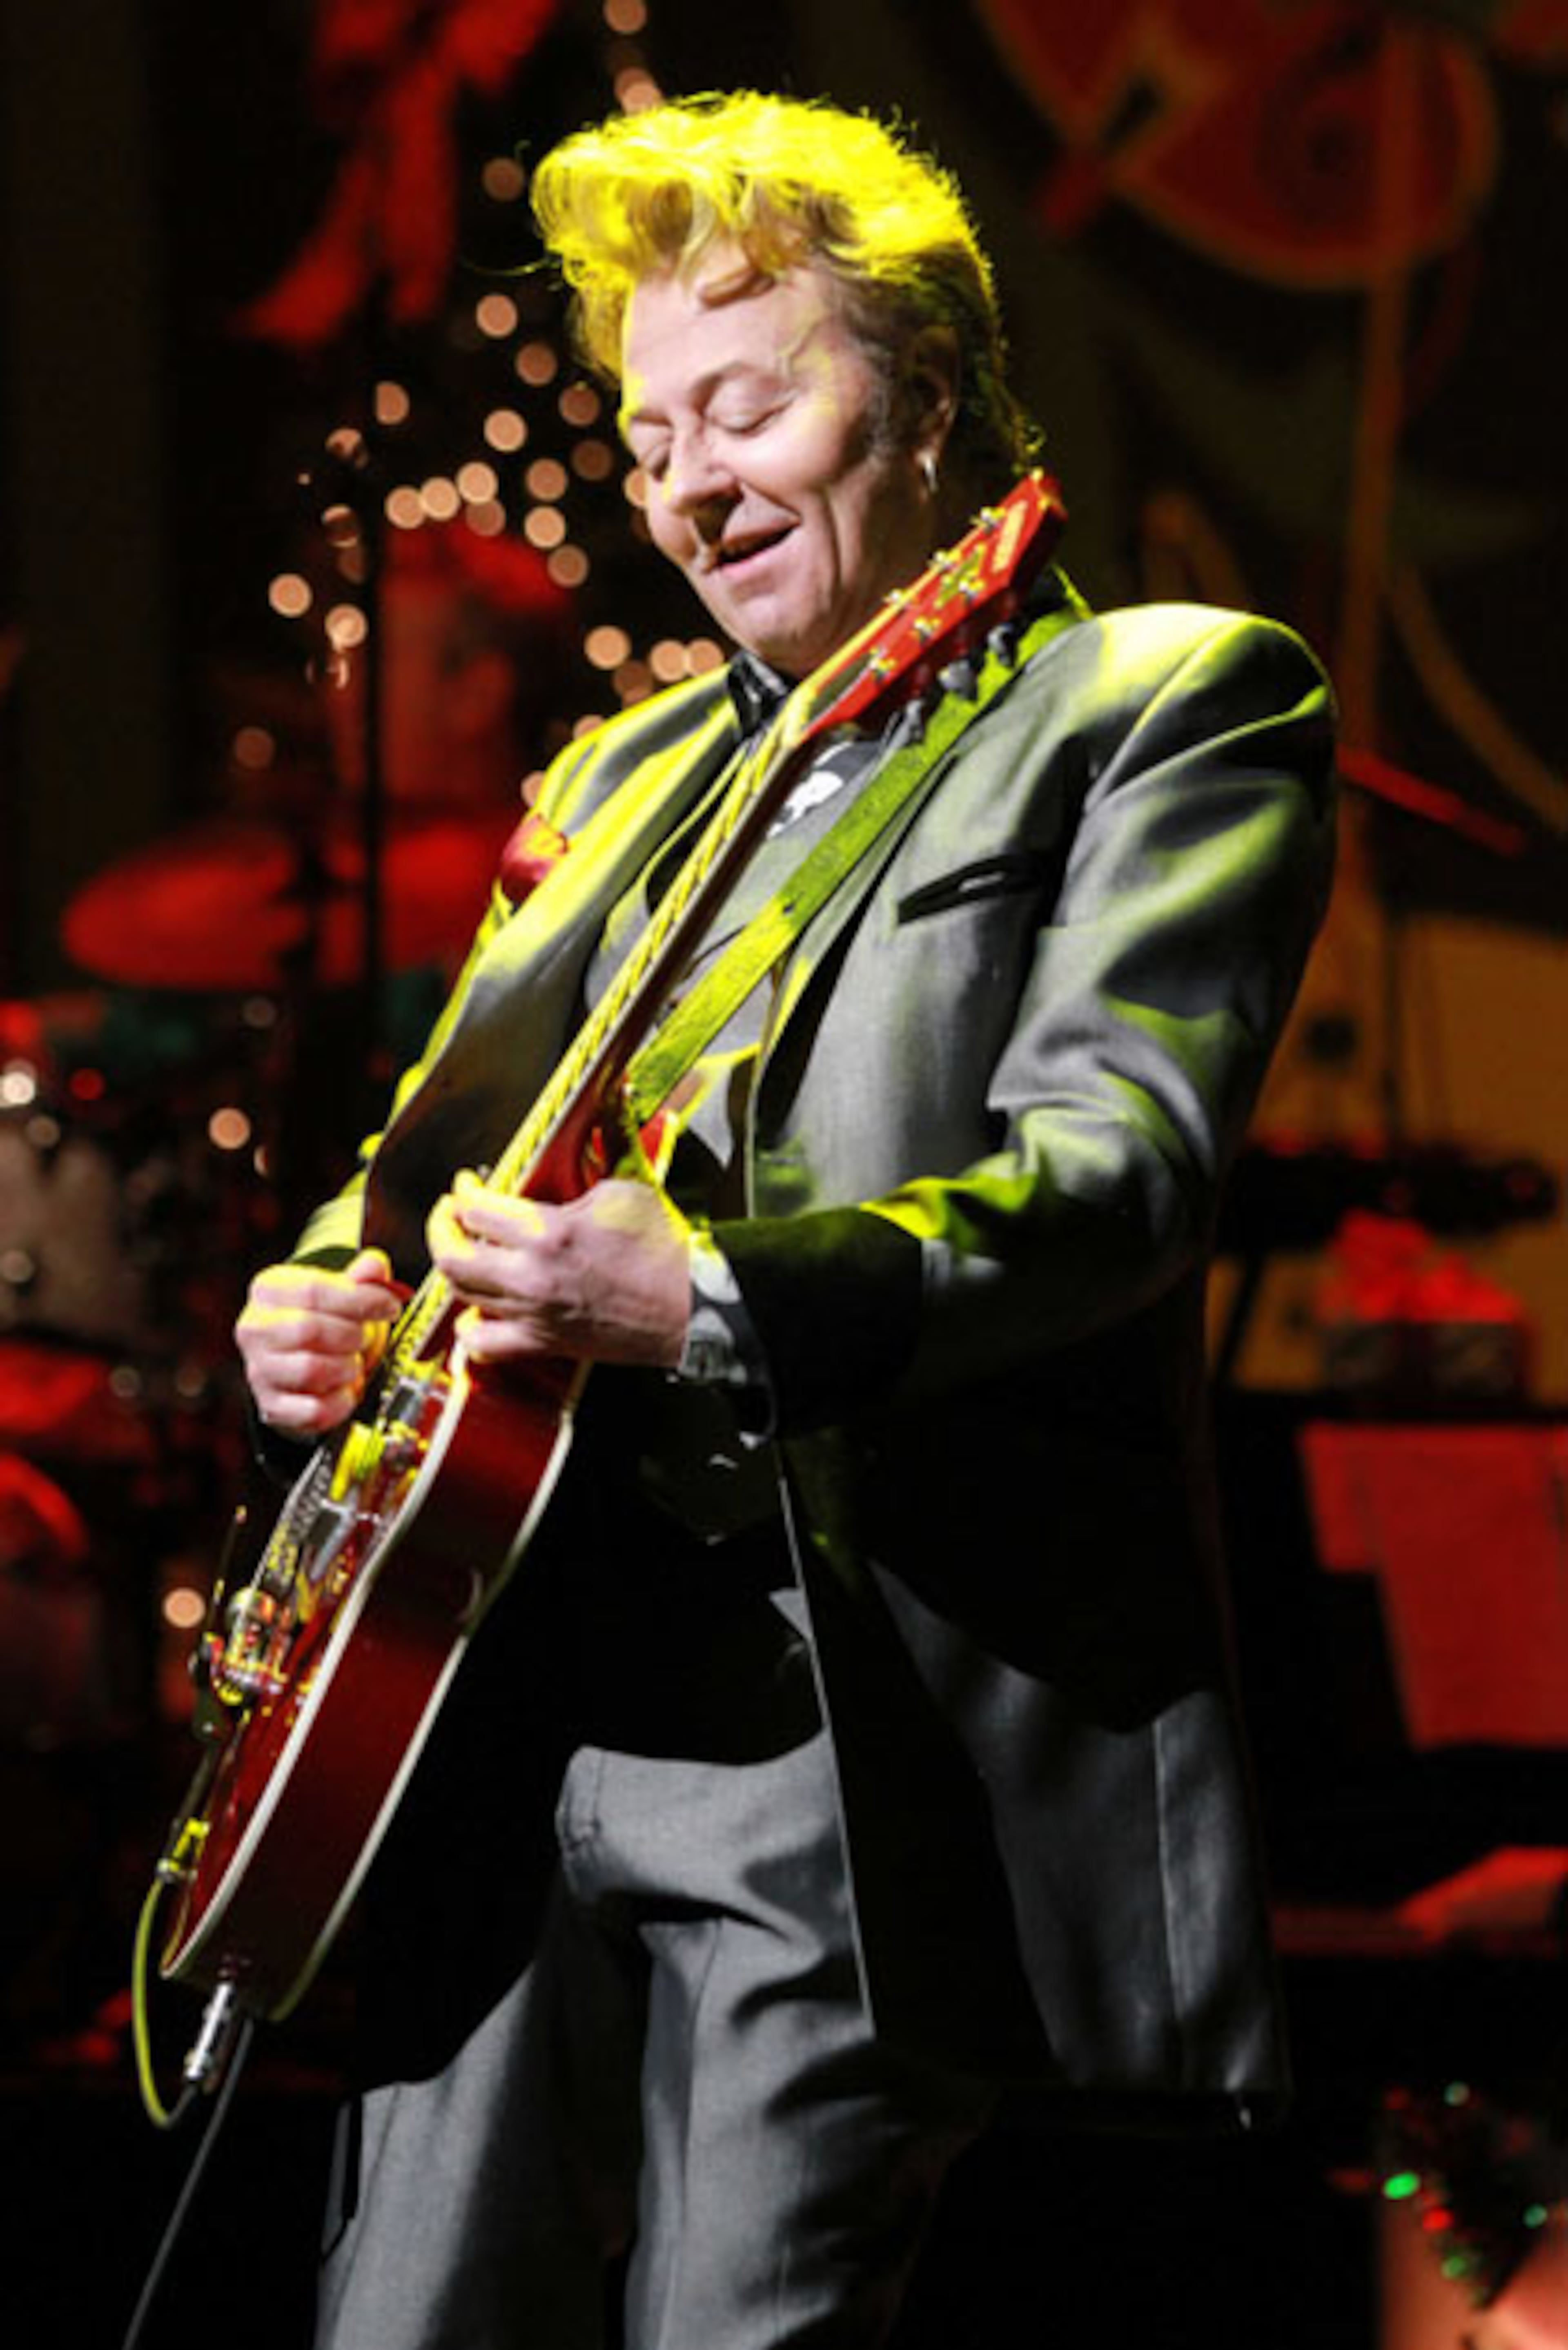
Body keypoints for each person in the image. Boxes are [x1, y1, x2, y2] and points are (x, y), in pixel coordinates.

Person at [235, 90, 1337, 2350]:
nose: (686, 488)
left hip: (834, 1750)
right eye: (650, 441)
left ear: (923, 394)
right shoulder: (623, 774)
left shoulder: (1157, 708)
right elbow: (420, 1172)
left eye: (748, 407)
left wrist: (718, 1303)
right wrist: (327, 1297)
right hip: (491, 1715)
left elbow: (1115, 1177)